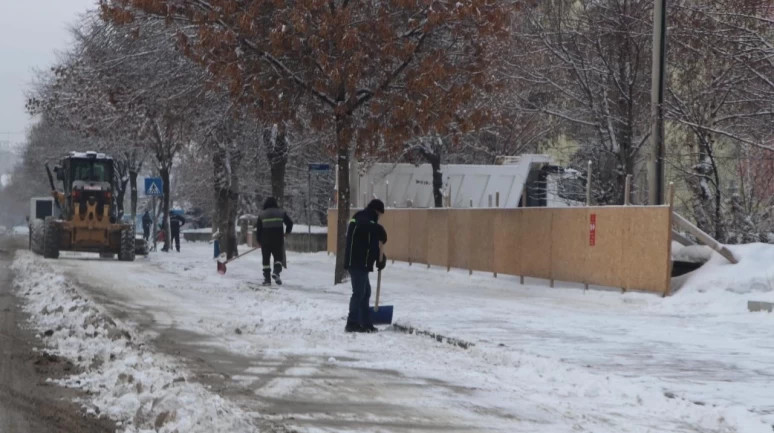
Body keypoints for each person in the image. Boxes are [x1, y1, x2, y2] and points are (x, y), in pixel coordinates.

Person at [344, 199, 388, 333]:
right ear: (376, 211)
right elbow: (363, 226)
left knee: (365, 292)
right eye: (380, 214)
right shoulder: (361, 217)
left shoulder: (371, 223)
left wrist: (380, 259)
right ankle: (351, 323)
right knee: (359, 292)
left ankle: (365, 323)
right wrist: (379, 229)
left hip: (362, 262)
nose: (380, 217)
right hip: (356, 261)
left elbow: (370, 245)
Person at [255, 197, 293, 286]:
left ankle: (267, 280)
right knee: (278, 258)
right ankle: (276, 272)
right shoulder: (281, 213)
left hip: (265, 241)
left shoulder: (262, 215)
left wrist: (259, 240)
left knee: (266, 261)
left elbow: (259, 229)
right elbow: (290, 223)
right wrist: (287, 232)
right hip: (278, 240)